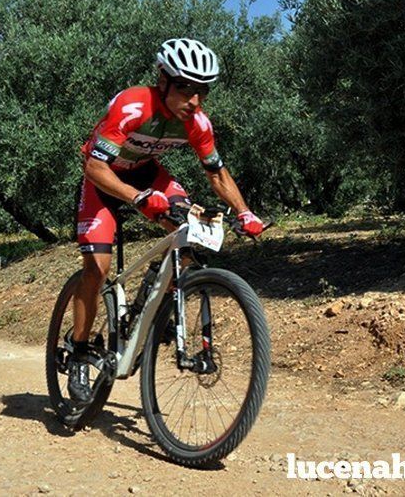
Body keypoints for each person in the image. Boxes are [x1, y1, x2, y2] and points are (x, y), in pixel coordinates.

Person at [70, 38, 265, 403]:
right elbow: (95, 167)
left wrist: (245, 212)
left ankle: (156, 299)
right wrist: (139, 198)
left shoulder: (197, 122)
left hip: (147, 174)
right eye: (185, 88)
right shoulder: (132, 106)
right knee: (97, 268)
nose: (194, 99)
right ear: (163, 80)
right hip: (103, 179)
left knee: (195, 229)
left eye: (202, 91)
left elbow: (218, 174)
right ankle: (79, 350)